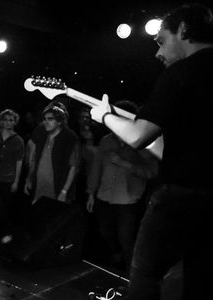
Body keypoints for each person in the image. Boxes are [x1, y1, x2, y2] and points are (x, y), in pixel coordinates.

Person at [89, 4, 213, 299]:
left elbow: (139, 136)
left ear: (183, 30)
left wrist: (105, 116)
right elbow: (175, 146)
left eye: (161, 41)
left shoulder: (182, 72)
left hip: (179, 197)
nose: (158, 53)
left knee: (145, 276)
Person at [86, 100, 159, 274]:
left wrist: (124, 163)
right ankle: (116, 260)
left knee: (126, 238)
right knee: (105, 232)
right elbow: (96, 167)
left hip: (128, 200)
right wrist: (90, 192)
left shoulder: (143, 144)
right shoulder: (106, 140)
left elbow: (151, 172)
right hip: (104, 196)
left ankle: (130, 275)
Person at [24, 101, 80, 206]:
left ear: (60, 121)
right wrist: (29, 178)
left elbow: (74, 167)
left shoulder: (70, 137)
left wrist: (64, 191)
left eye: (50, 119)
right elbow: (33, 156)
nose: (46, 122)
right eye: (45, 119)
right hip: (39, 185)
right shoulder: (41, 131)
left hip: (58, 188)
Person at [0, 109, 25, 244]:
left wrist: (16, 181)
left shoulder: (18, 140)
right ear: (1, 121)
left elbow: (19, 161)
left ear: (15, 122)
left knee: (4, 206)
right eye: (6, 120)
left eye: (11, 120)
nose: (8, 122)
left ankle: (3, 233)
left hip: (8, 178)